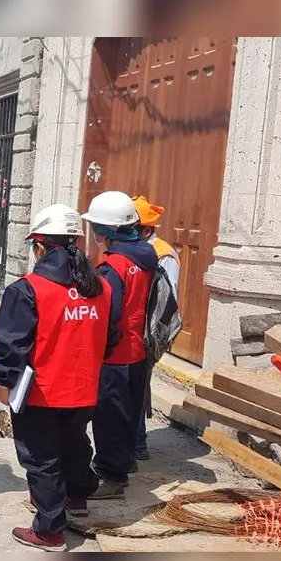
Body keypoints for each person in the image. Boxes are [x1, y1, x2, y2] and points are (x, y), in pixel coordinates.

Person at [0, 204, 114, 551]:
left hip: (41, 392)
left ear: (40, 246)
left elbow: (12, 346)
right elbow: (110, 337)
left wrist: (3, 382)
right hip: (85, 388)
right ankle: (76, 499)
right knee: (75, 445)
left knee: (41, 458)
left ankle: (49, 530)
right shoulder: (100, 288)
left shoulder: (28, 289)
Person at [80, 191, 159, 499]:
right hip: (138, 351)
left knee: (110, 418)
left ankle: (112, 478)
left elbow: (108, 315)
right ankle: (124, 464)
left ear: (103, 233)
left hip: (115, 356)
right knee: (127, 414)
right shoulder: (147, 258)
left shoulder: (114, 267)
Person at [131, 196, 181, 466]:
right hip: (137, 330)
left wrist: (148, 339)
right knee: (135, 387)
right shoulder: (139, 252)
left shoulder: (162, 254)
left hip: (149, 333)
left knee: (137, 387)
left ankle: (137, 445)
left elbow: (164, 302)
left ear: (146, 230)